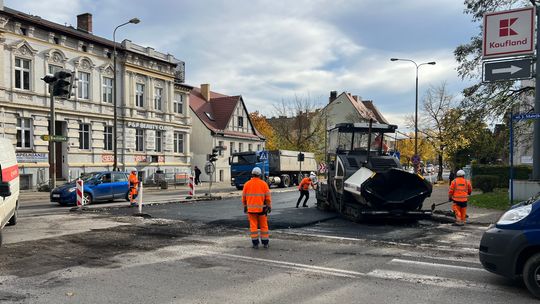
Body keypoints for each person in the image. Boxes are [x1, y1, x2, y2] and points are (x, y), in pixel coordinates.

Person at [242, 167, 272, 249]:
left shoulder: (247, 184)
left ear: (252, 174)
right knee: (264, 226)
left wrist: (245, 206)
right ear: (260, 174)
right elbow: (268, 197)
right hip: (262, 209)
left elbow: (244, 197)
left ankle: (255, 244)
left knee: (253, 226)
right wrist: (269, 206)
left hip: (251, 210)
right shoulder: (264, 184)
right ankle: (265, 243)